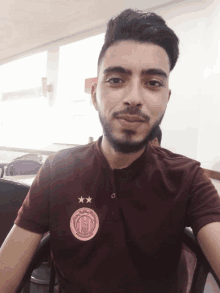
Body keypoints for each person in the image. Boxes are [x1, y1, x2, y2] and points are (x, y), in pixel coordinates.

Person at [1, 8, 220, 293]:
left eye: (152, 83)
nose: (133, 98)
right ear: (94, 96)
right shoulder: (57, 171)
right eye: (116, 80)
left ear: (166, 99)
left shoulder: (188, 178)